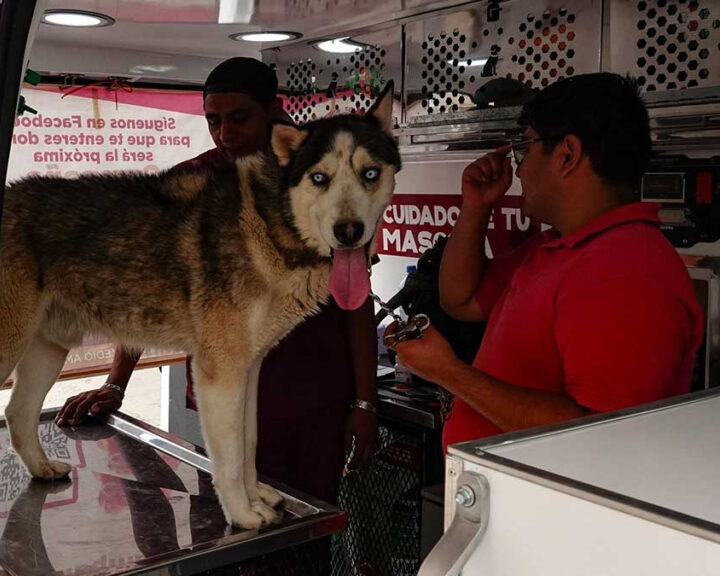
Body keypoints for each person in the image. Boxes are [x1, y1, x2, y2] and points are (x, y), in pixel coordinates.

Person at [57, 57, 380, 505]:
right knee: (227, 532)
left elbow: (355, 300)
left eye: (238, 118)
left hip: (314, 398)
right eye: (213, 121)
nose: (225, 134)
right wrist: (116, 383)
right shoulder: (192, 183)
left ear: (273, 109)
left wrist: (365, 403)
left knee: (305, 532)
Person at [391, 73, 704, 451]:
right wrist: (476, 208)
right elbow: (460, 299)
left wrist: (450, 373)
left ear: (567, 155)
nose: (519, 169)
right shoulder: (553, 247)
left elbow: (601, 436)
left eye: (526, 148)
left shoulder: (628, 270)